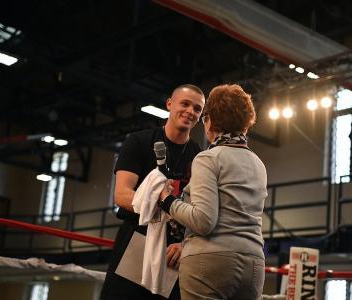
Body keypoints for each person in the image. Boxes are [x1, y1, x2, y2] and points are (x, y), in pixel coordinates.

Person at [159, 83, 267, 300]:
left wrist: (167, 199)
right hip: (254, 263)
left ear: (210, 121)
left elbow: (203, 220)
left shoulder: (209, 158)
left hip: (209, 260)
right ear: (245, 124)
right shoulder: (258, 163)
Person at [100, 84, 205, 300]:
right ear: (169, 104)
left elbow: (202, 210)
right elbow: (121, 195)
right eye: (185, 104)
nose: (190, 112)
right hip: (138, 236)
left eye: (197, 108)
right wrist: (166, 209)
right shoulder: (139, 141)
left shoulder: (201, 158)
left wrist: (185, 242)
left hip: (173, 249)